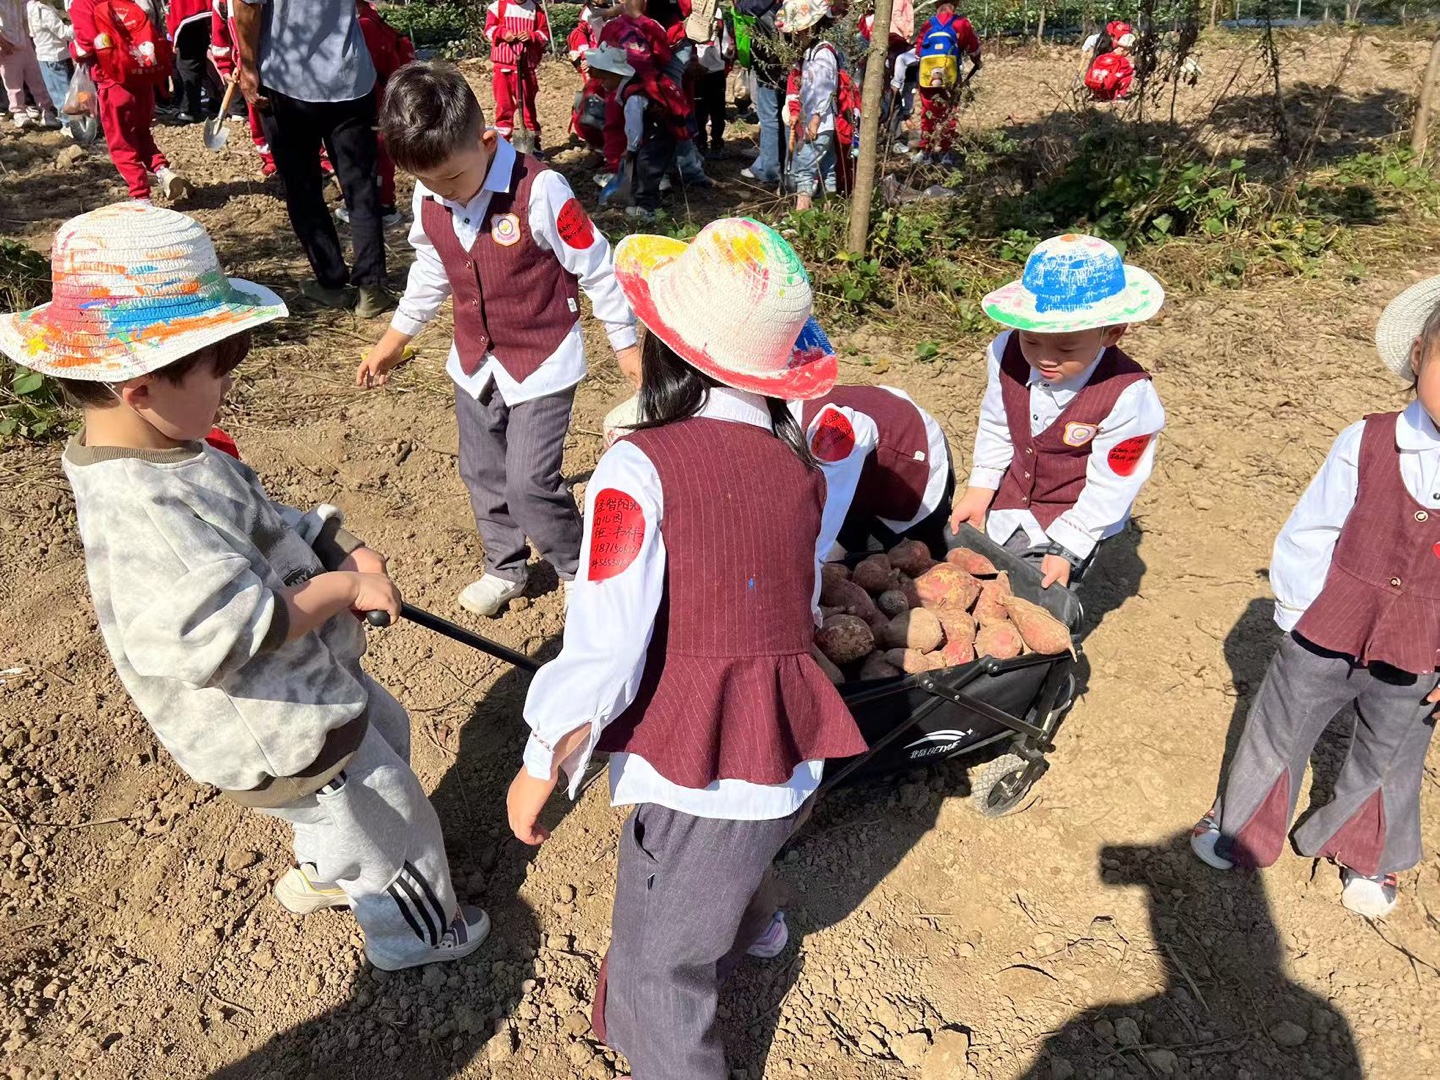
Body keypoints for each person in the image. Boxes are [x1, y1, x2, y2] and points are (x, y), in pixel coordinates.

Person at [0, 203, 489, 972]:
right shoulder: (145, 516)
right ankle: (417, 933)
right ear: (139, 387)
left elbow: (262, 521)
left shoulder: (173, 450)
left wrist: (341, 547)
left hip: (312, 691)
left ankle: (330, 864)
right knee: (392, 824)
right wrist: (339, 590)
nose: (229, 385)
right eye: (217, 370)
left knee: (381, 745)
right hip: (281, 730)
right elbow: (232, 630)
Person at [509, 217, 869, 1080]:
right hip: (787, 749)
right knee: (737, 861)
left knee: (660, 964)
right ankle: (760, 924)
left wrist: (544, 759)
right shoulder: (796, 466)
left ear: (667, 348)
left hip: (704, 765)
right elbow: (794, 601)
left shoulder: (638, 468)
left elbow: (607, 644)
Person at [1190, 277, 1440, 920]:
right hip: (1329, 623)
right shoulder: (1369, 440)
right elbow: (1314, 527)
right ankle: (1243, 824)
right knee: (1282, 726)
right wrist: (1299, 614)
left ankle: (1367, 850)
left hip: (1423, 647)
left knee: (1394, 750)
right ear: (1419, 355)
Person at [357, 63, 641, 617]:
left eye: (452, 178)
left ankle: (574, 565)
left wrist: (625, 345)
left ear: (487, 141)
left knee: (530, 480)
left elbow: (598, 267)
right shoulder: (429, 195)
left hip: (542, 358)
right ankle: (504, 565)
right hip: (473, 362)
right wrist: (393, 338)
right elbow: (432, 269)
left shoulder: (541, 190)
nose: (444, 192)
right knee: (482, 472)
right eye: (429, 182)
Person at [949, 234, 1166, 589]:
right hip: (1011, 505)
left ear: (1111, 334)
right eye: (1031, 339)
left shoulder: (1128, 394)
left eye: (1066, 349)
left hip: (1077, 516)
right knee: (996, 584)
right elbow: (997, 423)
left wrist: (1069, 544)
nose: (1045, 358)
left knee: (1047, 595)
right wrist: (981, 487)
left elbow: (1114, 482)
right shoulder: (1004, 352)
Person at [234, 0, 394, 318]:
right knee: (360, 186)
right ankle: (372, 288)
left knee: (303, 188)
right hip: (348, 77)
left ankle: (332, 282)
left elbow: (246, 7)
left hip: (287, 83)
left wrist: (249, 66)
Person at [792, 383, 954, 560]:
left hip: (909, 457)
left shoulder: (830, 427)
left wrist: (807, 565)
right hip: (853, 472)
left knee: (920, 557)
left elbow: (825, 521)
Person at [70, 0, 189, 200]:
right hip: (142, 79)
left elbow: (86, 45)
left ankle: (141, 196)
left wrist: (72, 49)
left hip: (114, 83)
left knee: (121, 144)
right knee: (142, 134)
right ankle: (162, 170)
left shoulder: (83, 4)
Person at [338, 0, 412, 229]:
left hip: (374, 99)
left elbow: (363, 64)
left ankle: (379, 207)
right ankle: (383, 204)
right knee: (380, 153)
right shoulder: (373, 19)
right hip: (383, 96)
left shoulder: (364, 26)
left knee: (375, 154)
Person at [780, 0, 836, 211]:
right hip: (818, 121)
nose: (796, 37)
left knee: (804, 167)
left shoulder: (822, 54)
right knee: (827, 167)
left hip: (820, 123)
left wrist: (815, 118)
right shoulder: (809, 54)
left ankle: (801, 212)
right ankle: (830, 210)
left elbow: (825, 89)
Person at [208, 0, 273, 177]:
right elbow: (219, 35)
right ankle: (269, 157)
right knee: (257, 114)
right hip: (246, 67)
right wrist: (224, 65)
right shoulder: (222, 3)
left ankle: (317, 156)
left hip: (277, 62)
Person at [913, 0, 979, 165]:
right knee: (949, 113)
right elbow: (973, 49)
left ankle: (926, 151)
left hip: (928, 77)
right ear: (955, 4)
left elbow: (918, 52)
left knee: (927, 112)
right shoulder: (962, 23)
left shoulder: (928, 24)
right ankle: (945, 152)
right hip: (951, 76)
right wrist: (977, 62)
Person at [484, 0, 548, 146]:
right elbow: (488, 30)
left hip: (526, 68)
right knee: (503, 105)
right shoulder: (497, 6)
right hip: (503, 67)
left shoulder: (535, 9)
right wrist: (502, 33)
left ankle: (532, 143)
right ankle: (502, 143)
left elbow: (544, 34)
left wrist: (532, 35)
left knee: (528, 106)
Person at [737, 0, 784, 185]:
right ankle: (781, 166)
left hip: (770, 60)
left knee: (769, 116)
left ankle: (769, 169)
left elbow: (746, 7)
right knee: (783, 114)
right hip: (783, 60)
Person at [1, 0, 60, 129]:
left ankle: (46, 109)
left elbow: (27, 16)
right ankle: (19, 112)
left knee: (36, 78)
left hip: (25, 42)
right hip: (8, 47)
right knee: (13, 83)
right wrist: (3, 43)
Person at [167, 0, 218, 122]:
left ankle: (188, 110)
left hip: (188, 17)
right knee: (199, 64)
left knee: (187, 66)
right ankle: (207, 102)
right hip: (201, 15)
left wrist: (174, 35)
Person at [25, 0, 71, 117]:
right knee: (64, 94)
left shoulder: (32, 7)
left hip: (44, 56)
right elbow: (65, 33)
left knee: (56, 92)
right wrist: (80, 25)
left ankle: (66, 120)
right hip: (55, 56)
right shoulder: (45, 12)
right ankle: (69, 122)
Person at [1084, 30, 1135, 102]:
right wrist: (1133, 67)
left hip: (1095, 83)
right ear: (1125, 50)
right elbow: (1129, 71)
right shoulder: (1122, 61)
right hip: (1107, 86)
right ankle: (1119, 96)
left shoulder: (1101, 57)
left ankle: (1097, 95)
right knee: (1127, 76)